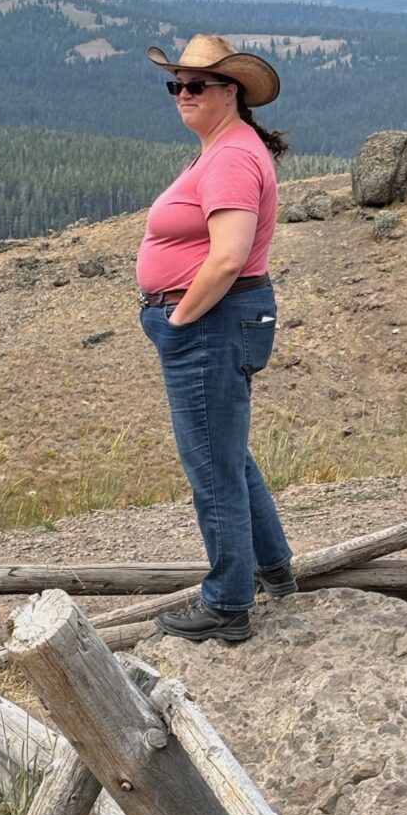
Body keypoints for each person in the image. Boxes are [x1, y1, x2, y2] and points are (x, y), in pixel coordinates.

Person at [137, 34, 296, 643]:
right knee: (225, 452)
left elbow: (228, 258)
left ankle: (228, 603)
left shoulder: (230, 157)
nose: (183, 94)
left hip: (211, 322)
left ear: (230, 92)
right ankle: (274, 569)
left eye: (196, 85)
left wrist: (179, 321)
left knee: (211, 464)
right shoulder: (226, 148)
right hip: (218, 321)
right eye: (176, 85)